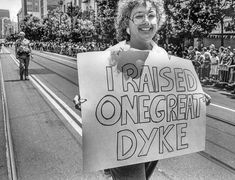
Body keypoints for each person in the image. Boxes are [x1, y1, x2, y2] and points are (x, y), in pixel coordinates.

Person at [74, 0, 211, 179]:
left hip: (152, 140)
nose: (146, 21)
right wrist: (85, 98)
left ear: (158, 21)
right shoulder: (115, 54)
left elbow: (170, 94)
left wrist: (194, 96)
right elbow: (99, 92)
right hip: (123, 144)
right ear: (127, 24)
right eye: (139, 16)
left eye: (151, 15)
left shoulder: (161, 54)